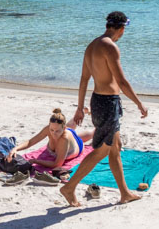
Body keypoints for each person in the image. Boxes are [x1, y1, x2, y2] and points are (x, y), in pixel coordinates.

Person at [61, 11, 148, 207]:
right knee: (102, 150)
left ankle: (125, 193)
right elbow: (122, 81)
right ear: (122, 28)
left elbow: (84, 79)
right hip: (108, 103)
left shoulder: (92, 46)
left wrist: (80, 107)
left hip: (97, 100)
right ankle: (69, 187)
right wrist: (139, 103)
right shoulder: (111, 47)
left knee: (115, 148)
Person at [10, 108, 91, 172]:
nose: (53, 133)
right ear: (49, 126)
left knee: (87, 136)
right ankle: (84, 111)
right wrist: (15, 149)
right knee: (71, 125)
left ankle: (99, 127)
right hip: (65, 130)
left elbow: (57, 164)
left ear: (64, 128)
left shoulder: (64, 139)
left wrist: (36, 161)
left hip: (78, 146)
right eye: (52, 130)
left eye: (57, 131)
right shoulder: (48, 129)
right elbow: (30, 142)